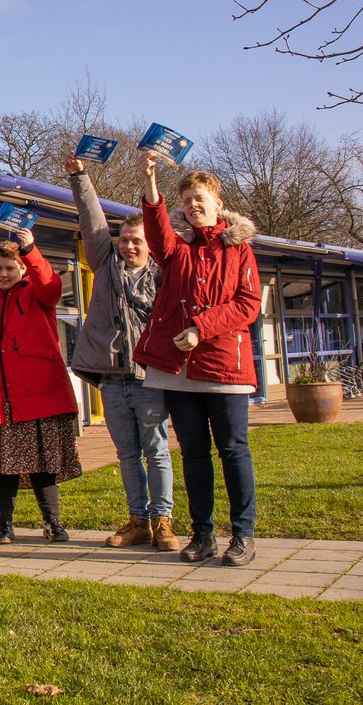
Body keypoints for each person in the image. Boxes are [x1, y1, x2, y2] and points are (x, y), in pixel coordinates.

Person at [134, 151, 262, 567]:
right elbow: (156, 230)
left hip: (225, 366)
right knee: (192, 452)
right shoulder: (177, 249)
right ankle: (202, 534)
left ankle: (243, 535)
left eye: (200, 199)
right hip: (178, 370)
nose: (192, 206)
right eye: (186, 200)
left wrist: (201, 327)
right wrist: (150, 182)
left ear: (217, 204)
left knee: (233, 449)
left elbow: (248, 304)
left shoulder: (240, 250)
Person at [66, 158, 178, 552]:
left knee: (157, 449)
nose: (129, 246)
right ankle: (139, 521)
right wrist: (81, 178)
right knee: (127, 454)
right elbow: (92, 222)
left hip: (149, 377)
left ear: (150, 245)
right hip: (112, 380)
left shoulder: (165, 273)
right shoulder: (106, 266)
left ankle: (164, 520)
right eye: (125, 240)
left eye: (137, 241)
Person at [0, 229, 81, 544]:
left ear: (22, 268)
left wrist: (30, 249)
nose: (2, 274)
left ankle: (53, 523)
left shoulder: (38, 295)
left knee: (42, 466)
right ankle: (5, 526)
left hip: (36, 398)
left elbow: (52, 285)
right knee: (1, 469)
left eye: (9, 268)